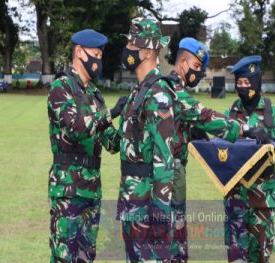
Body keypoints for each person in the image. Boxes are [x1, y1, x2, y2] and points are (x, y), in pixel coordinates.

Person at [162, 38, 270, 263]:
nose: (199, 73)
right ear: (183, 63)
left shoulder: (163, 88)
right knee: (173, 245)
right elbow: (205, 116)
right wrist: (246, 129)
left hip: (167, 177)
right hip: (167, 177)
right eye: (197, 67)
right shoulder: (172, 91)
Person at [47, 29, 127, 263]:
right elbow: (74, 128)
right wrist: (110, 113)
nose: (98, 61)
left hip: (92, 188)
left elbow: (112, 143)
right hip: (68, 189)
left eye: (101, 56)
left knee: (86, 257)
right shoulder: (61, 87)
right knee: (64, 257)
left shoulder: (95, 94)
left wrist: (129, 118)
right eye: (95, 54)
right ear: (79, 52)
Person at [223, 55, 275, 263]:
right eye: (239, 83)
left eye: (247, 82)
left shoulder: (272, 114)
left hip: (263, 200)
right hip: (235, 199)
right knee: (236, 256)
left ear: (257, 82)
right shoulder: (229, 114)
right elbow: (217, 150)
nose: (243, 87)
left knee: (260, 257)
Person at [116, 17, 178, 262]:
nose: (127, 50)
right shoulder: (139, 92)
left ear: (147, 50)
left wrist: (160, 216)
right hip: (133, 202)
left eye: (132, 44)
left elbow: (164, 160)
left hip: (148, 208)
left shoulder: (158, 95)